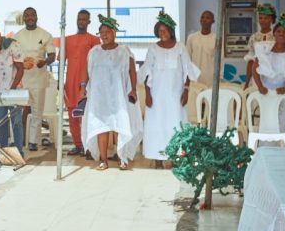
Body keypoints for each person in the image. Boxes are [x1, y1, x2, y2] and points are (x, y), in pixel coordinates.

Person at [80, 15, 142, 170]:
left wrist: (133, 89)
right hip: (99, 96)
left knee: (119, 125)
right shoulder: (94, 52)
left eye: (107, 31)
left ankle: (122, 158)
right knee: (101, 126)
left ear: (114, 32)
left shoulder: (124, 51)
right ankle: (103, 160)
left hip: (118, 96)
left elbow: (132, 71)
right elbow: (86, 71)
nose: (104, 35)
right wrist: (82, 86)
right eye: (101, 32)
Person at [139, 11, 200, 168]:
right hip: (156, 95)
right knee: (157, 126)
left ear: (171, 31)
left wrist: (186, 90)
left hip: (176, 94)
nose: (162, 33)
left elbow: (187, 70)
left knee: (175, 124)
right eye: (160, 31)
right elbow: (147, 72)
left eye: (165, 30)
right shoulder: (153, 48)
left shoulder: (180, 47)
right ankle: (158, 160)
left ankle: (175, 158)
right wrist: (148, 95)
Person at [14, 7, 56, 151]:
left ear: (37, 17)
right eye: (27, 15)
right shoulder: (17, 36)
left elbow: (52, 55)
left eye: (32, 15)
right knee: (18, 111)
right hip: (21, 78)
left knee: (37, 111)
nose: (30, 17)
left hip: (39, 77)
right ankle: (18, 140)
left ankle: (33, 141)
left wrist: (44, 61)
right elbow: (13, 56)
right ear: (24, 18)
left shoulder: (45, 35)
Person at [252, 14, 285, 130]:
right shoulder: (264, 50)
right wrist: (260, 87)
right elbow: (254, 69)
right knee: (267, 122)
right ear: (274, 33)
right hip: (266, 91)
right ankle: (265, 142)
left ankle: (283, 142)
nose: (281, 34)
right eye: (279, 31)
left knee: (284, 123)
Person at [63, 9, 100, 155]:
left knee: (87, 114)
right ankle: (78, 145)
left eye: (84, 19)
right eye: (79, 19)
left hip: (87, 84)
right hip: (70, 83)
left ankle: (88, 146)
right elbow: (61, 62)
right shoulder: (67, 39)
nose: (81, 22)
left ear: (89, 22)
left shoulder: (94, 40)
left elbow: (97, 63)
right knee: (73, 114)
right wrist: (61, 83)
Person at [0, 28, 25, 156]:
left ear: (0, 38)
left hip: (14, 90)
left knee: (17, 122)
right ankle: (4, 152)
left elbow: (21, 68)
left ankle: (19, 152)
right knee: (1, 122)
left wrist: (12, 88)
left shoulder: (13, 45)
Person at [243, 3, 285, 90]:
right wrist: (247, 83)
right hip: (257, 79)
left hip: (275, 78)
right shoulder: (254, 38)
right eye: (261, 18)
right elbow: (251, 61)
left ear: (272, 19)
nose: (263, 21)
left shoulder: (278, 36)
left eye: (266, 18)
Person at [186, 10, 216, 87]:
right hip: (194, 78)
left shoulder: (216, 39)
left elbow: (220, 60)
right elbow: (187, 59)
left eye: (208, 18)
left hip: (210, 79)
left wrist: (219, 77)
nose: (204, 19)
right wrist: (187, 79)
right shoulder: (191, 38)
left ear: (213, 21)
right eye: (202, 17)